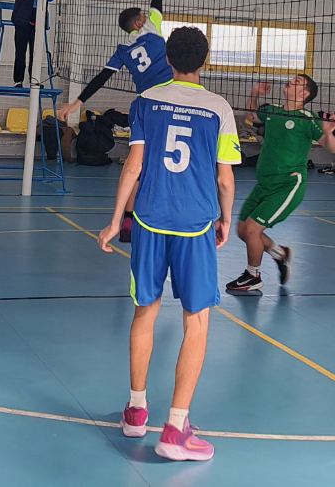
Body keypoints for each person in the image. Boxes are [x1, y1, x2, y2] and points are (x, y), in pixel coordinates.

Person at [100, 27, 238, 462]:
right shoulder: (219, 108)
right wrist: (225, 218)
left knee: (146, 311)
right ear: (204, 61)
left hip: (149, 218)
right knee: (196, 320)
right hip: (195, 223)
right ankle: (176, 427)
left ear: (168, 59)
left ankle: (137, 410)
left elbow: (133, 166)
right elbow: (225, 178)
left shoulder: (145, 101)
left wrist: (115, 219)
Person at [58, 0, 169, 242]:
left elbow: (101, 78)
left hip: (144, 105)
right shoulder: (153, 28)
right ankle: (161, 214)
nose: (147, 14)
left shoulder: (122, 50)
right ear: (139, 22)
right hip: (169, 101)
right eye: (143, 14)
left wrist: (76, 103)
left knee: (137, 163)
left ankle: (127, 221)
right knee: (160, 162)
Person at [224, 76, 335, 295]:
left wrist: (328, 132)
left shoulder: (308, 119)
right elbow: (251, 116)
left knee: (252, 229)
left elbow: (332, 148)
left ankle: (253, 276)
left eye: (297, 82)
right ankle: (280, 254)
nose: (290, 82)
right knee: (243, 231)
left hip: (288, 184)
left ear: (304, 93)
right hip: (265, 183)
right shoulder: (272, 111)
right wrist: (255, 94)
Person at [12, 0, 57, 86]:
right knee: (20, 51)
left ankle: (34, 80)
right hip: (23, 18)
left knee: (35, 52)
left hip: (39, 18)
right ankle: (18, 81)